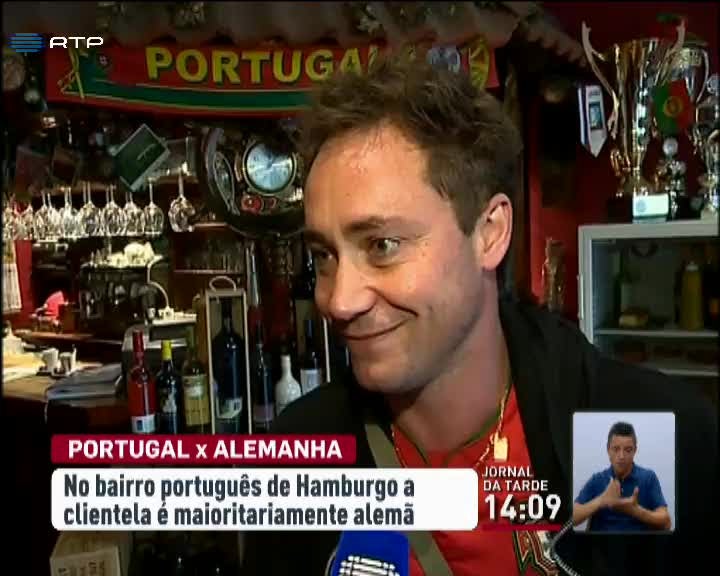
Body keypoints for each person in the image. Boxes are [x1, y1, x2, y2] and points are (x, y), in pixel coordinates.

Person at [241, 55, 717, 576]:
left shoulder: (642, 436)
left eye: (382, 245)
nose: (339, 300)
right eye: (324, 255)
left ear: (489, 233)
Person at [573, 422, 671, 532]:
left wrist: (636, 511)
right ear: (608, 450)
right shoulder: (597, 480)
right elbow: (572, 518)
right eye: (616, 449)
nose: (621, 456)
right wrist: (601, 500)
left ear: (635, 450)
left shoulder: (648, 478)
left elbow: (666, 523)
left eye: (628, 450)